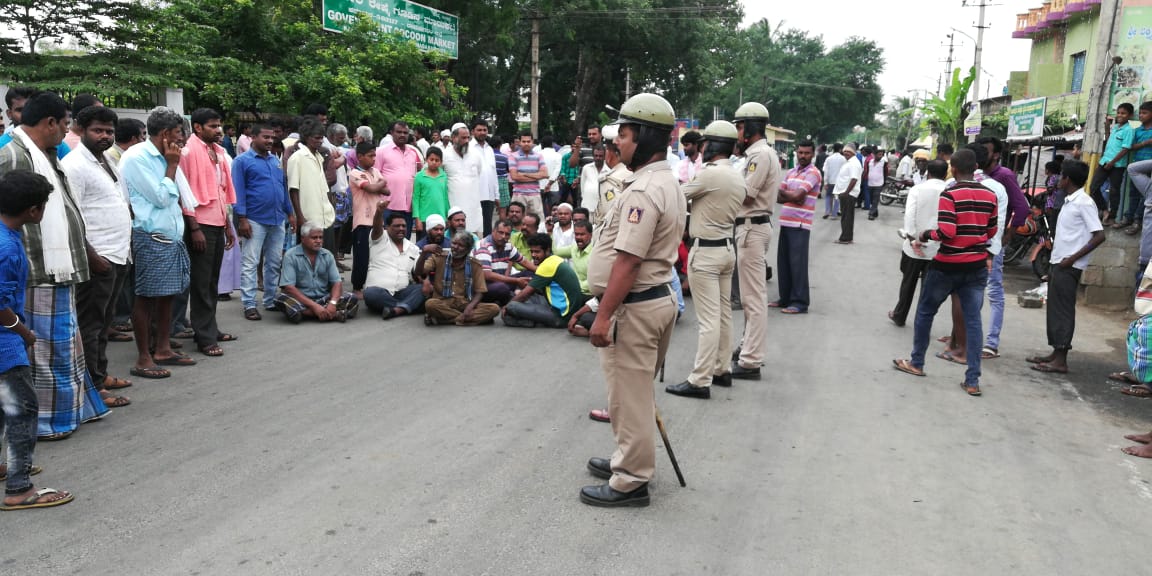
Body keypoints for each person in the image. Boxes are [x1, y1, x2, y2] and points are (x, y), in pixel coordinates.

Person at [582, 93, 685, 508]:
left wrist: (603, 317)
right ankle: (628, 457)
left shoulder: (644, 189)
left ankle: (632, 480)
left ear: (642, 136)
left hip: (636, 306)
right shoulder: (665, 180)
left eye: (623, 135)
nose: (617, 144)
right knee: (633, 393)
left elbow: (627, 260)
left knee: (629, 396)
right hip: (654, 299)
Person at [0, 91, 108, 438]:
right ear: (49, 123)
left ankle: (70, 411)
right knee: (46, 352)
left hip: (57, 269)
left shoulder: (43, 153)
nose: (66, 131)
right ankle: (49, 424)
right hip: (36, 270)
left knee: (63, 346)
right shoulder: (13, 156)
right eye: (64, 124)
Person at [892, 149, 999, 397]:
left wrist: (926, 234)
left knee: (926, 311)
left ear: (954, 169)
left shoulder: (950, 194)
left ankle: (916, 363)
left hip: (948, 263)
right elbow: (992, 231)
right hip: (976, 264)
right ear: (975, 168)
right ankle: (972, 380)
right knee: (973, 321)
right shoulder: (990, 194)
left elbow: (948, 231)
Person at [0, 170, 75, 510]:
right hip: (5, 344)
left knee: (3, 407)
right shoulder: (7, 248)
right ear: (34, 210)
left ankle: (9, 468)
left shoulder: (6, 235)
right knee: (23, 409)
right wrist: (22, 330)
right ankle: (19, 487)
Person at [665, 120, 743, 400]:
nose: (701, 149)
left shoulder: (710, 174)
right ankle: (722, 368)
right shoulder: (734, 174)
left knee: (708, 320)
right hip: (725, 249)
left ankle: (700, 380)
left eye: (704, 144)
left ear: (712, 145)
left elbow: (676, 194)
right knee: (722, 315)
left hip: (707, 252)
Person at [61, 105, 133, 408]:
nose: (104, 136)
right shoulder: (75, 165)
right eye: (98, 131)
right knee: (91, 325)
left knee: (104, 323)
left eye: (108, 131)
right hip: (98, 257)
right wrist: (91, 255)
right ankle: (92, 388)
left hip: (118, 254)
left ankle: (99, 375)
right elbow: (71, 216)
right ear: (81, 129)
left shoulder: (105, 161)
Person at [119, 106, 195, 381]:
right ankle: (143, 357)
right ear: (164, 134)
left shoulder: (164, 154)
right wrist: (172, 165)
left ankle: (162, 348)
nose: (182, 140)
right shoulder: (137, 157)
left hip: (170, 236)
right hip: (150, 236)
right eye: (178, 134)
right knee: (146, 297)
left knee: (167, 296)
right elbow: (162, 197)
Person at [1027, 160, 1105, 374]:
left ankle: (1061, 360)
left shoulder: (1084, 203)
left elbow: (1099, 236)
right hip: (1059, 261)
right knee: (1054, 309)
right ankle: (1055, 352)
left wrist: (1072, 259)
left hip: (1068, 264)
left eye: (1061, 176)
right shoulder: (1071, 201)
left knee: (1062, 311)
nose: (1058, 180)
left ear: (1067, 179)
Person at [179, 108, 237, 358]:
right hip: (199, 223)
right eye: (213, 126)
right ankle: (204, 336)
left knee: (212, 281)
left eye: (219, 125)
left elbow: (222, 190)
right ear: (198, 128)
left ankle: (209, 328)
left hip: (217, 220)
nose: (218, 130)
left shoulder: (218, 151)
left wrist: (227, 224)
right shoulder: (188, 151)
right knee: (201, 283)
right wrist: (193, 228)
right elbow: (183, 191)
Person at [730, 101, 782, 381]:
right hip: (750, 227)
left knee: (753, 299)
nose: (737, 133)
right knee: (752, 297)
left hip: (752, 226)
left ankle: (751, 360)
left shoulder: (759, 156)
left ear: (749, 129)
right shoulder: (757, 154)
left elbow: (746, 194)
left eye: (739, 127)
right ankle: (747, 349)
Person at [233, 124, 294, 320]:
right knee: (250, 262)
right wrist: (242, 219)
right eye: (265, 137)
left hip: (277, 219)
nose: (269, 141)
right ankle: (249, 304)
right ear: (253, 138)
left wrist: (290, 212)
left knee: (274, 262)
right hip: (254, 219)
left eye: (272, 137)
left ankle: (269, 300)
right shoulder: (242, 161)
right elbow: (238, 192)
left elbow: (282, 188)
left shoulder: (275, 160)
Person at [888, 159, 948, 327]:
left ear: (928, 172)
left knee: (908, 282)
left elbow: (910, 215)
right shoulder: (949, 191)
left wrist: (914, 239)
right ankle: (922, 322)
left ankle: (899, 315)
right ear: (945, 174)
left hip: (913, 247)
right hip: (937, 247)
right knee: (928, 288)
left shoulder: (917, 189)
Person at [773, 140, 823, 314]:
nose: (803, 156)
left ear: (813, 154)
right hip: (786, 222)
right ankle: (785, 298)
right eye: (800, 152)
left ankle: (800, 302)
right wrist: (793, 196)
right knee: (784, 263)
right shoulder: (792, 172)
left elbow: (798, 195)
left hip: (801, 224)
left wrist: (794, 195)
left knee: (797, 264)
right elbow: (779, 196)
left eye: (807, 153)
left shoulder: (814, 173)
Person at [275, 223, 359, 323]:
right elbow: (289, 287)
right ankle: (333, 314)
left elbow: (337, 282)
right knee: (280, 299)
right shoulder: (291, 255)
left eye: (321, 237)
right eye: (314, 238)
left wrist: (332, 303)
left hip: (324, 298)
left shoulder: (327, 255)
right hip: (302, 300)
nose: (318, 241)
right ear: (303, 238)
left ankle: (307, 314)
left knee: (352, 297)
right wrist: (314, 306)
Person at [502, 233, 588, 328]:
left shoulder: (547, 265)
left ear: (547, 250)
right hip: (561, 307)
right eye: (532, 251)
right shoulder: (555, 259)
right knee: (522, 297)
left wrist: (506, 307)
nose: (533, 255)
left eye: (537, 252)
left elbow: (526, 293)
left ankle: (531, 322)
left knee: (512, 306)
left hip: (561, 316)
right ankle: (533, 320)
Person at [417, 230, 500, 326]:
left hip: (465, 303)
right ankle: (465, 319)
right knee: (430, 304)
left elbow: (480, 292)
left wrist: (470, 307)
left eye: (460, 245)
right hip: (443, 302)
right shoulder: (439, 257)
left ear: (467, 249)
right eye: (454, 243)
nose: (455, 247)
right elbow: (419, 272)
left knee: (494, 309)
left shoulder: (475, 264)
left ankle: (443, 320)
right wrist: (424, 252)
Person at [363, 205, 424, 320]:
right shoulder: (380, 239)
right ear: (387, 227)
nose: (401, 228)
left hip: (402, 291)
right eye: (397, 226)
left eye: (404, 226)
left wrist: (424, 254)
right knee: (370, 294)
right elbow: (376, 226)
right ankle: (407, 306)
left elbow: (418, 271)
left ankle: (396, 310)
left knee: (423, 289)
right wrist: (379, 212)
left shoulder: (413, 248)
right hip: (380, 291)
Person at [348, 141, 390, 297]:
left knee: (378, 255)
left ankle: (375, 283)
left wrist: (379, 184)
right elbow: (372, 188)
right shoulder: (355, 173)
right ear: (360, 156)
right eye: (370, 156)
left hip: (377, 220)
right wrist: (380, 182)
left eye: (375, 155)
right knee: (362, 256)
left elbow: (386, 190)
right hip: (362, 221)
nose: (374, 159)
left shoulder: (375, 171)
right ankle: (357, 286)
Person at [288, 117, 335, 239]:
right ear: (307, 138)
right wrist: (300, 217)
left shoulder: (319, 157)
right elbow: (293, 190)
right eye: (316, 138)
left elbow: (324, 189)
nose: (320, 141)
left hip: (325, 217)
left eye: (321, 138)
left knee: (326, 256)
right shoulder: (297, 158)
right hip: (308, 219)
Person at [475, 219, 536, 307]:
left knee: (530, 273)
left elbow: (524, 261)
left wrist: (543, 272)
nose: (503, 236)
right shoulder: (484, 246)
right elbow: (487, 275)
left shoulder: (508, 245)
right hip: (484, 287)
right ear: (493, 231)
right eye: (500, 232)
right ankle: (511, 301)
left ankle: (511, 298)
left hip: (503, 281)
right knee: (502, 288)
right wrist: (516, 281)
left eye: (507, 234)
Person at [374, 121, 421, 233]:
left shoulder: (413, 152)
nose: (402, 135)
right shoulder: (381, 152)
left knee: (405, 241)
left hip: (408, 206)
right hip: (388, 205)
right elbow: (375, 176)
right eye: (399, 132)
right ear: (392, 133)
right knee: (387, 241)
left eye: (405, 132)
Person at [1091, 106, 1135, 215]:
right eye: (1118, 112)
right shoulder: (1115, 127)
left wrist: (1112, 162)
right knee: (1093, 187)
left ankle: (1112, 214)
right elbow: (1109, 141)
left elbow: (1125, 149)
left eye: (1123, 113)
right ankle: (1104, 209)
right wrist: (1107, 128)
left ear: (1130, 116)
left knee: (1114, 191)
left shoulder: (1129, 130)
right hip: (1104, 161)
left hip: (1117, 165)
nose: (1119, 115)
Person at [441, 124, 483, 234]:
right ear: (454, 138)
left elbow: (479, 172)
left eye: (468, 137)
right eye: (463, 138)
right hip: (454, 203)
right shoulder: (445, 155)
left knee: (473, 236)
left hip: (473, 204)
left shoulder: (475, 154)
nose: (466, 141)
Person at [509, 131, 548, 219]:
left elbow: (545, 174)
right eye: (524, 141)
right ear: (519, 142)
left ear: (532, 142)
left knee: (538, 222)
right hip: (519, 194)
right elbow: (514, 176)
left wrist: (524, 174)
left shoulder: (539, 156)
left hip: (535, 194)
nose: (526, 144)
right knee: (517, 222)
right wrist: (536, 176)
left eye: (528, 141)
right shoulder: (513, 156)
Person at [471, 118, 499, 236]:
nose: (482, 132)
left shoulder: (489, 149)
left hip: (489, 195)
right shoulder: (468, 148)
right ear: (473, 131)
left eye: (484, 130)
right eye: (479, 130)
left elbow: (493, 173)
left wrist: (497, 195)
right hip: (474, 194)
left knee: (488, 226)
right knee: (474, 225)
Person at [413, 146, 449, 236]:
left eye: (437, 160)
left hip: (440, 217)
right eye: (431, 159)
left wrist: (447, 216)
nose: (434, 162)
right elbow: (415, 198)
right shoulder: (419, 176)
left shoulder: (443, 176)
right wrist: (417, 219)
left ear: (441, 162)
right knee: (423, 246)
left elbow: (445, 197)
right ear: (426, 160)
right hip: (424, 218)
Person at [553, 219, 594, 294]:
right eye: (576, 234)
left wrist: (574, 285)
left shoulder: (595, 253)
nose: (578, 237)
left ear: (590, 235)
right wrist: (550, 231)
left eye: (582, 234)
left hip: (589, 295)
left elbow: (595, 281)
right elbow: (555, 252)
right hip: (574, 291)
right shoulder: (574, 248)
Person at [833, 144, 863, 244]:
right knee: (846, 216)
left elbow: (854, 179)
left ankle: (845, 238)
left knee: (846, 217)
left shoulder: (854, 163)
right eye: (845, 151)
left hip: (848, 194)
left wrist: (846, 192)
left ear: (853, 152)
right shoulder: (850, 162)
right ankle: (847, 237)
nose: (846, 153)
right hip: (846, 193)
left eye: (848, 151)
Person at [580, 145, 608, 218]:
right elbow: (582, 186)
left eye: (600, 156)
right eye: (596, 156)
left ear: (605, 156)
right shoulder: (586, 168)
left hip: (603, 209)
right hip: (587, 206)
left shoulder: (609, 170)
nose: (598, 158)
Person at [821, 142, 844, 219]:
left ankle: (827, 211)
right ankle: (834, 214)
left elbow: (825, 170)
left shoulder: (829, 158)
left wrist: (825, 182)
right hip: (839, 182)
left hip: (830, 181)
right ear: (840, 149)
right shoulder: (843, 159)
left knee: (828, 196)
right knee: (837, 197)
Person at [864, 147, 886, 220]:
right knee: (870, 199)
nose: (880, 156)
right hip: (870, 183)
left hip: (879, 184)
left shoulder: (884, 163)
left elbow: (886, 173)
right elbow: (866, 171)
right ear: (874, 155)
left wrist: (884, 183)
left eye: (881, 155)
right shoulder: (869, 162)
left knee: (875, 199)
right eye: (879, 154)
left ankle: (871, 214)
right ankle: (875, 211)